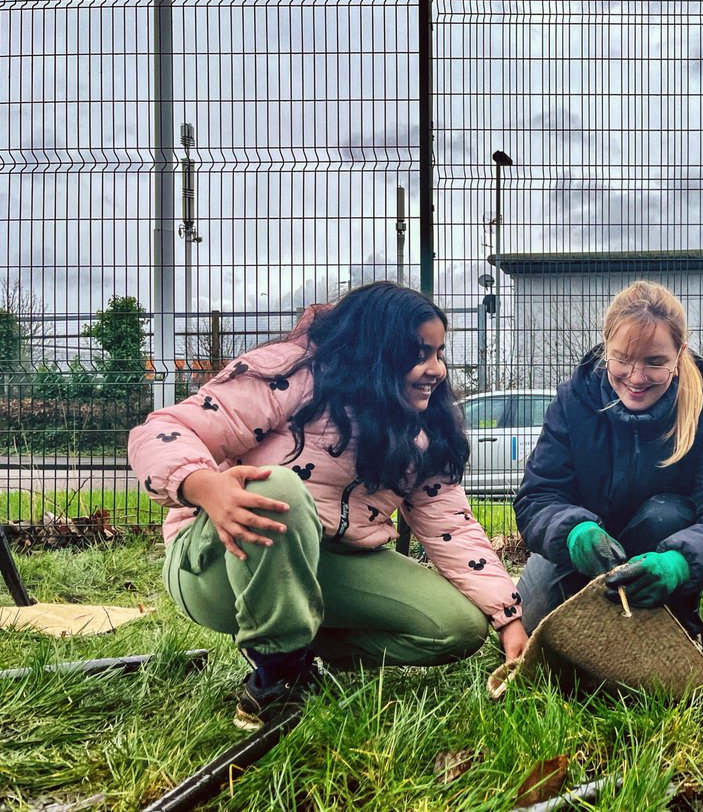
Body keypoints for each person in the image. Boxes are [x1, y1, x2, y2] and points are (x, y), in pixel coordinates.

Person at [129, 283, 527, 730]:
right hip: (219, 564)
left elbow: (449, 526)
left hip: (330, 563)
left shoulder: (423, 427)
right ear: (375, 352)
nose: (436, 369)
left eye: (438, 353)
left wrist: (509, 617)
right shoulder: (290, 377)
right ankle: (275, 676)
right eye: (419, 354)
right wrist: (204, 486)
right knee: (277, 488)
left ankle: (300, 648)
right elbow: (162, 429)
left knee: (456, 627)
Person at [514, 280, 703, 639]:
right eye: (622, 360)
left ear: (679, 354)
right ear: (606, 350)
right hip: (582, 553)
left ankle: (669, 614)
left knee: (667, 513)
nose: (636, 378)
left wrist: (678, 565)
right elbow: (537, 498)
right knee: (536, 619)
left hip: (659, 548)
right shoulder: (573, 402)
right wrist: (575, 534)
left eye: (655, 362)